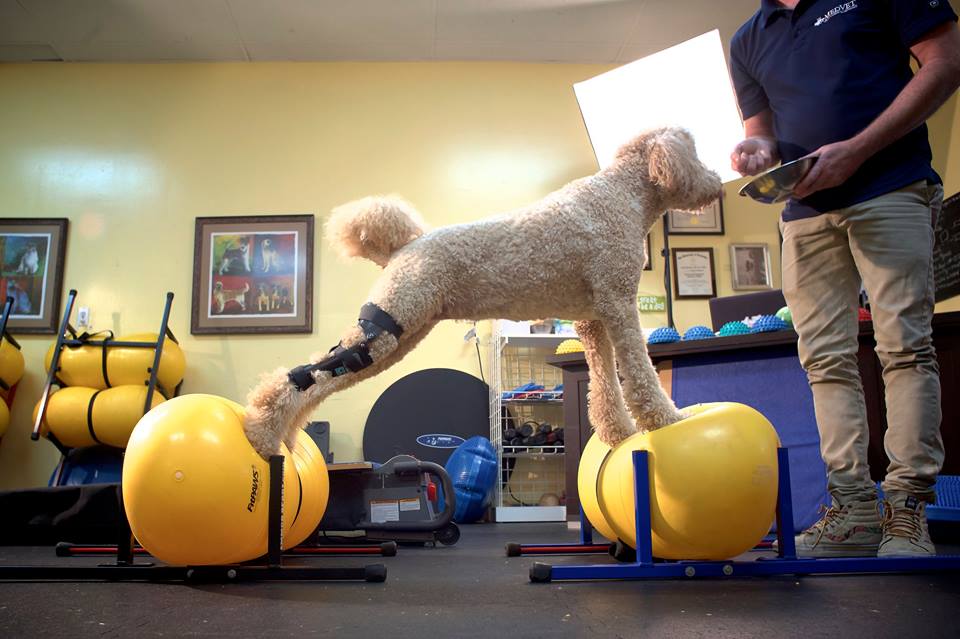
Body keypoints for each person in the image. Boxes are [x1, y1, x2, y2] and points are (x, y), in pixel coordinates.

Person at [729, 0, 960, 557]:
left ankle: (906, 510)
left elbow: (947, 61)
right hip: (805, 212)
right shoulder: (747, 39)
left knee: (904, 346)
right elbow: (762, 131)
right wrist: (757, 151)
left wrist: (857, 151)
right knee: (824, 359)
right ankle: (853, 509)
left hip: (891, 186)